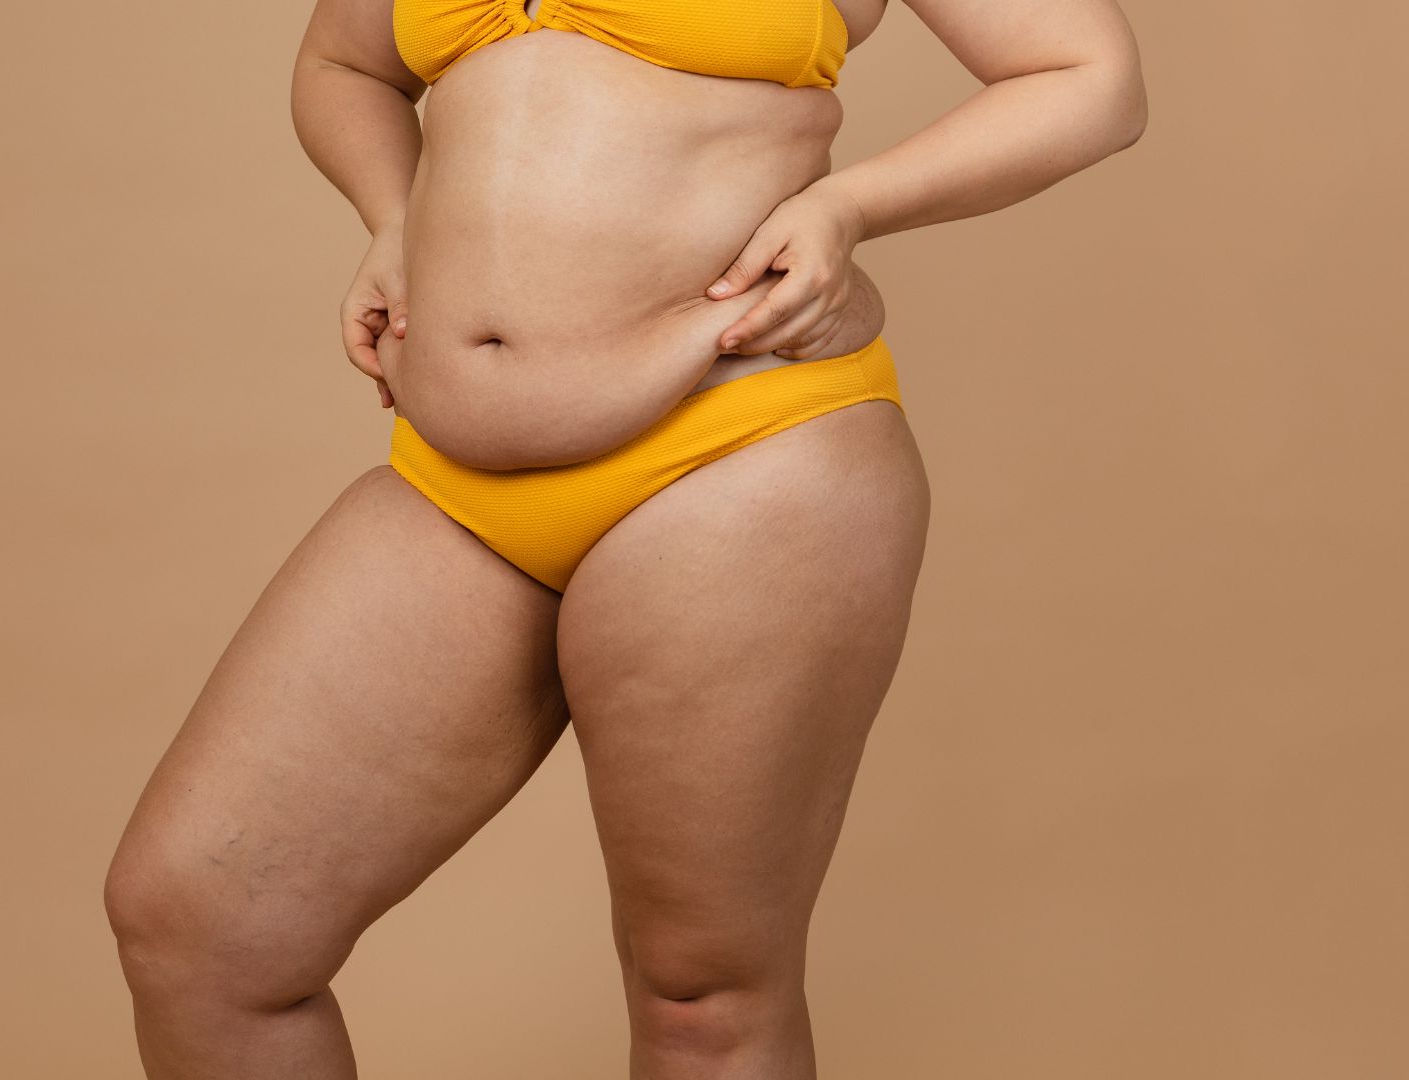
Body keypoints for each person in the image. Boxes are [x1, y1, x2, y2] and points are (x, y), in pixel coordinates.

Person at [105, 0, 1147, 1075]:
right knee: (202, 930)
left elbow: (1091, 76)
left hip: (740, 451)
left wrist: (849, 208)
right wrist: (392, 215)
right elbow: (341, 62)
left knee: (703, 996)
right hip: (458, 481)